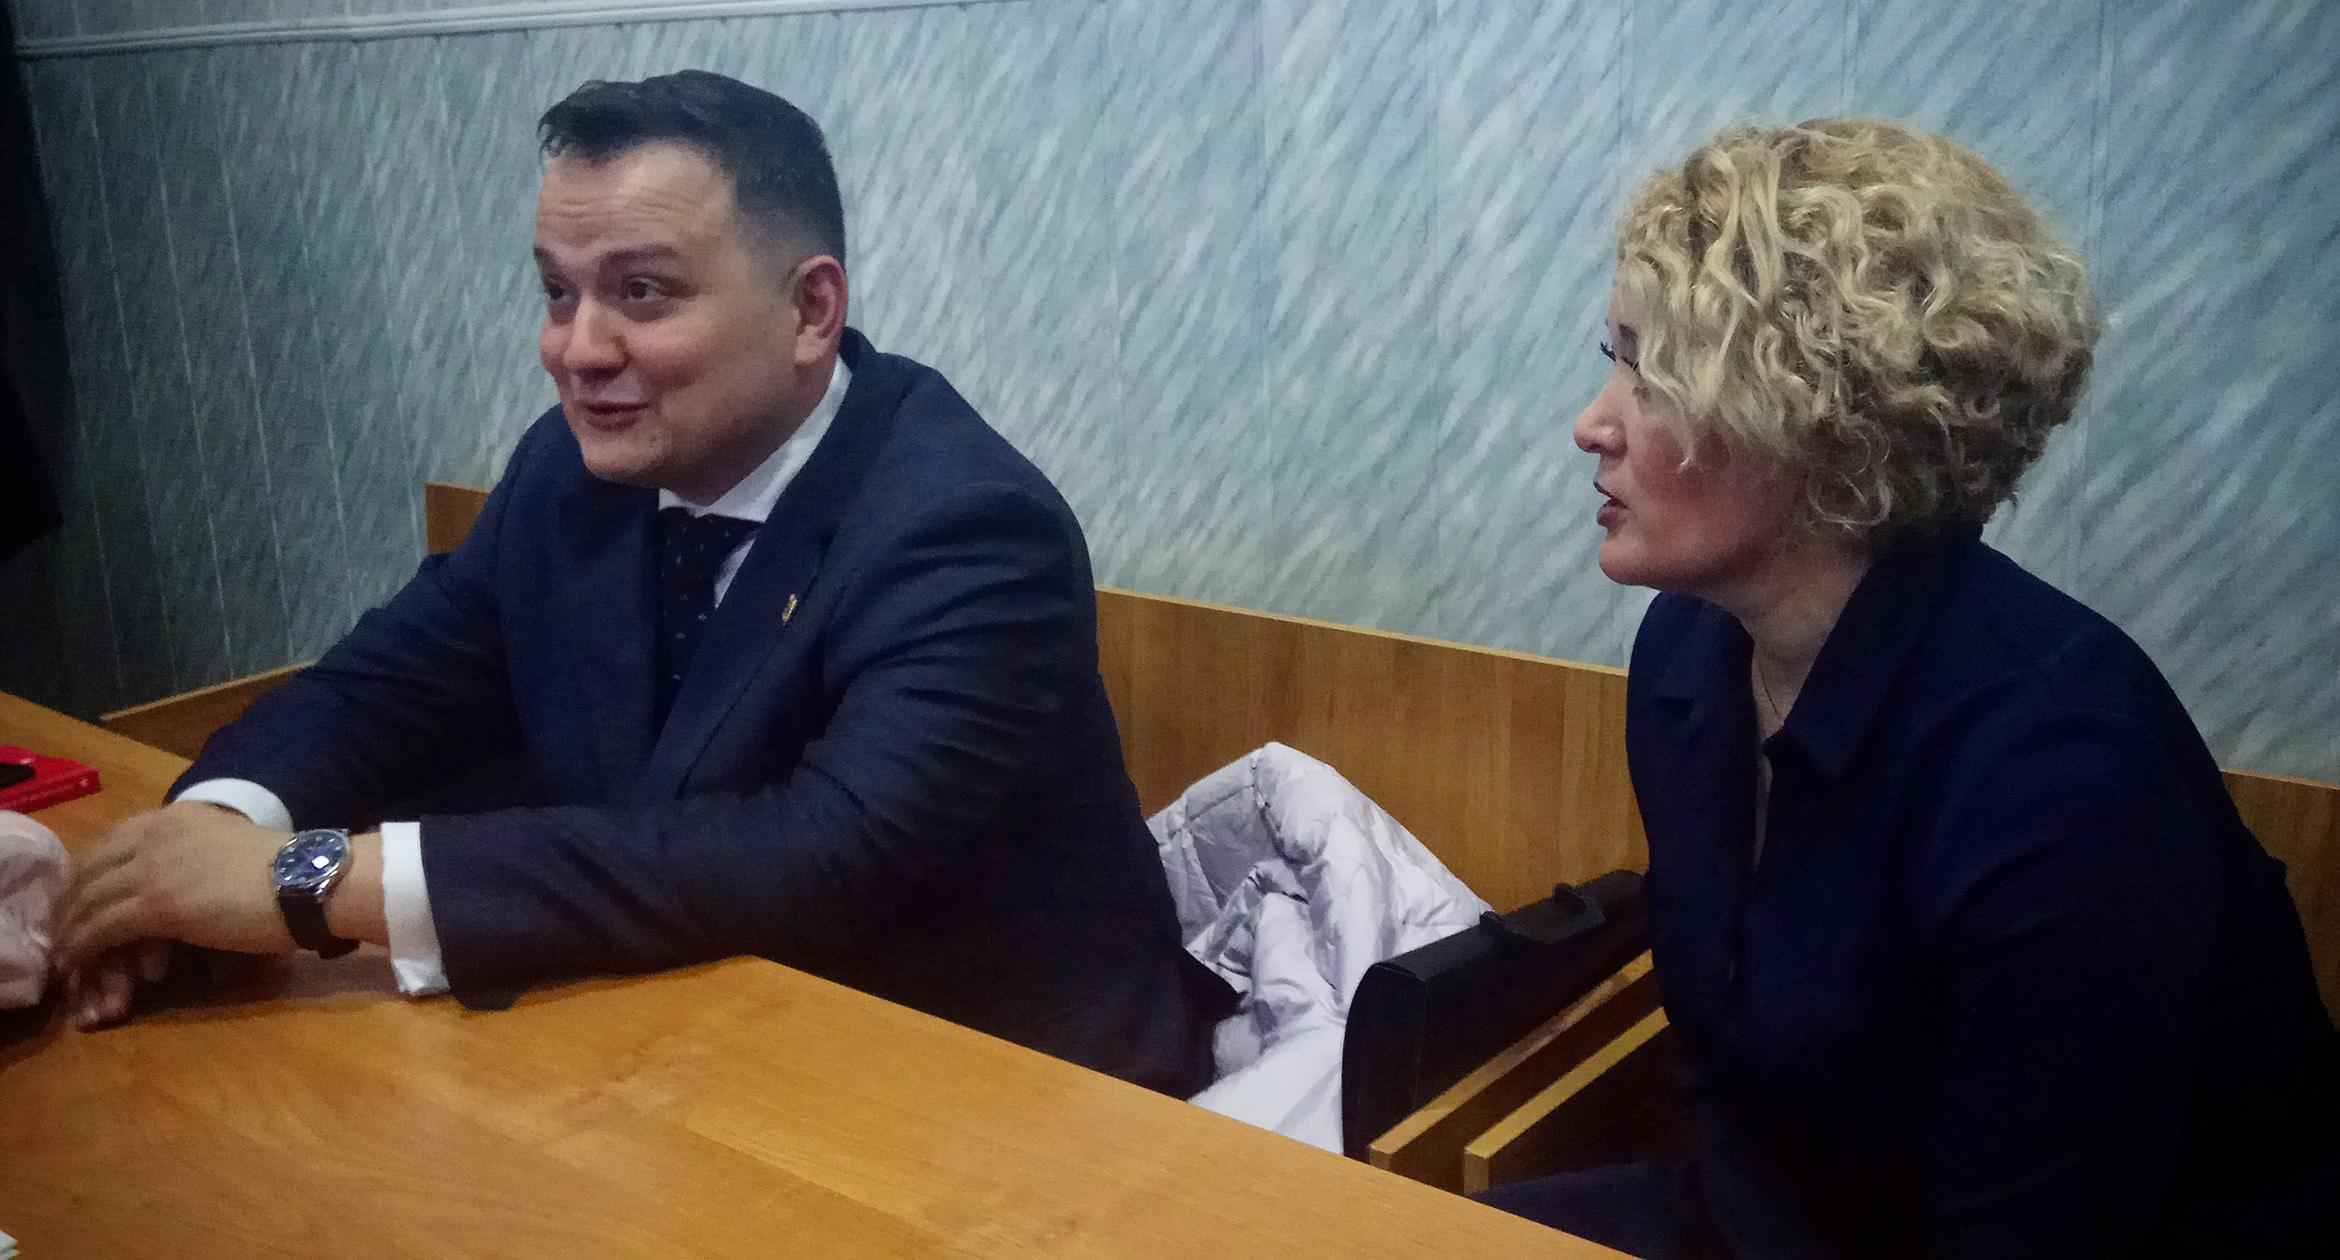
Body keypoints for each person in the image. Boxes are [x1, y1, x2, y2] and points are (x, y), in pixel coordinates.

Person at [51, 71, 1233, 1097]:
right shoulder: (570, 470)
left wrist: (307, 885)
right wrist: (206, 845)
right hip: (690, 1033)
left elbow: (819, 856)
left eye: (642, 293)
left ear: (810, 310)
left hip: (999, 1083)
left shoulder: (968, 526)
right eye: (557, 292)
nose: (578, 350)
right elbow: (391, 681)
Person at [1479, 118, 2340, 1256]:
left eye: (1652, 372)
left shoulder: (2059, 783)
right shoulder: (1688, 660)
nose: (1593, 424)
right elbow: (1733, 1109)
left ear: (1818, 425)